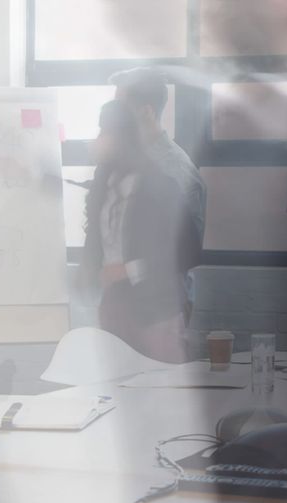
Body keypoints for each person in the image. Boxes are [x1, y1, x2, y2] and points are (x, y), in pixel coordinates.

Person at [80, 99, 197, 363]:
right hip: (114, 305)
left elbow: (187, 251)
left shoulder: (159, 185)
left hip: (156, 308)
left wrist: (128, 270)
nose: (97, 140)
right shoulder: (104, 186)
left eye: (103, 132)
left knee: (160, 392)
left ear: (121, 137)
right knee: (117, 390)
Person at [109, 67, 206, 320]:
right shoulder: (127, 163)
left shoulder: (176, 171)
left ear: (147, 111)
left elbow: (180, 253)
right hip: (127, 299)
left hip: (162, 304)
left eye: (121, 108)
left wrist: (127, 271)